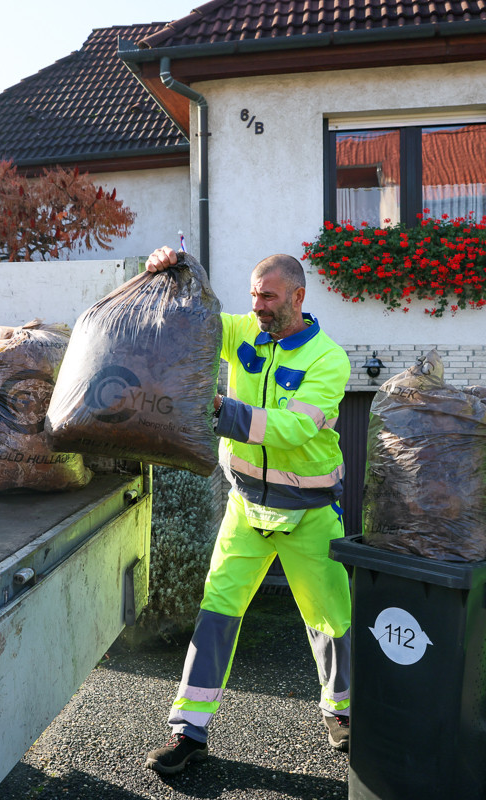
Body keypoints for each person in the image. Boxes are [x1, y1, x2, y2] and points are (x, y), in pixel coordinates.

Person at [142, 246, 352, 775]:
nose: (258, 306)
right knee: (216, 612)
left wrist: (219, 409)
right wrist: (174, 267)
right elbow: (192, 321)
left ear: (298, 297)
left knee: (332, 621)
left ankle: (345, 719)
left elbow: (294, 430)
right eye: (254, 295)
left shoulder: (327, 359)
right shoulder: (241, 331)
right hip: (246, 507)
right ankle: (187, 730)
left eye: (269, 297)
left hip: (307, 516)